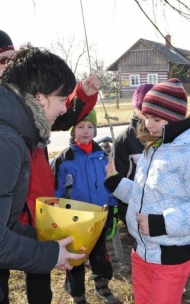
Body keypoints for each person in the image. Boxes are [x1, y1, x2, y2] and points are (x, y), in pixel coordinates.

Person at [0, 25, 100, 304]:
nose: (62, 109)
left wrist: (44, 240)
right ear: (38, 97)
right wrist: (50, 255)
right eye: (61, 99)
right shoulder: (0, 140)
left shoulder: (1, 123)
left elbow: (2, 222)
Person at [104, 78, 190, 304]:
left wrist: (161, 223)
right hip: (142, 250)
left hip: (171, 255)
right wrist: (116, 183)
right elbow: (146, 194)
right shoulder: (154, 148)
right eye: (146, 117)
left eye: (156, 119)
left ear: (174, 118)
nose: (148, 124)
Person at [51, 109, 118, 304]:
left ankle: (102, 285)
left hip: (100, 216)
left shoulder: (103, 156)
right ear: (73, 131)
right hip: (75, 219)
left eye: (90, 127)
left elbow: (111, 184)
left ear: (95, 130)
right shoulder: (65, 159)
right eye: (80, 126)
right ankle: (77, 294)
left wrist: (113, 209)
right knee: (75, 257)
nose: (86, 131)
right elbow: (57, 191)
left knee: (99, 254)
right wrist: (58, 217)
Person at [113, 83, 154, 227]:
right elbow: (118, 177)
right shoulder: (125, 138)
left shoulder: (160, 132)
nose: (148, 112)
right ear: (136, 109)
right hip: (132, 202)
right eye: (143, 109)